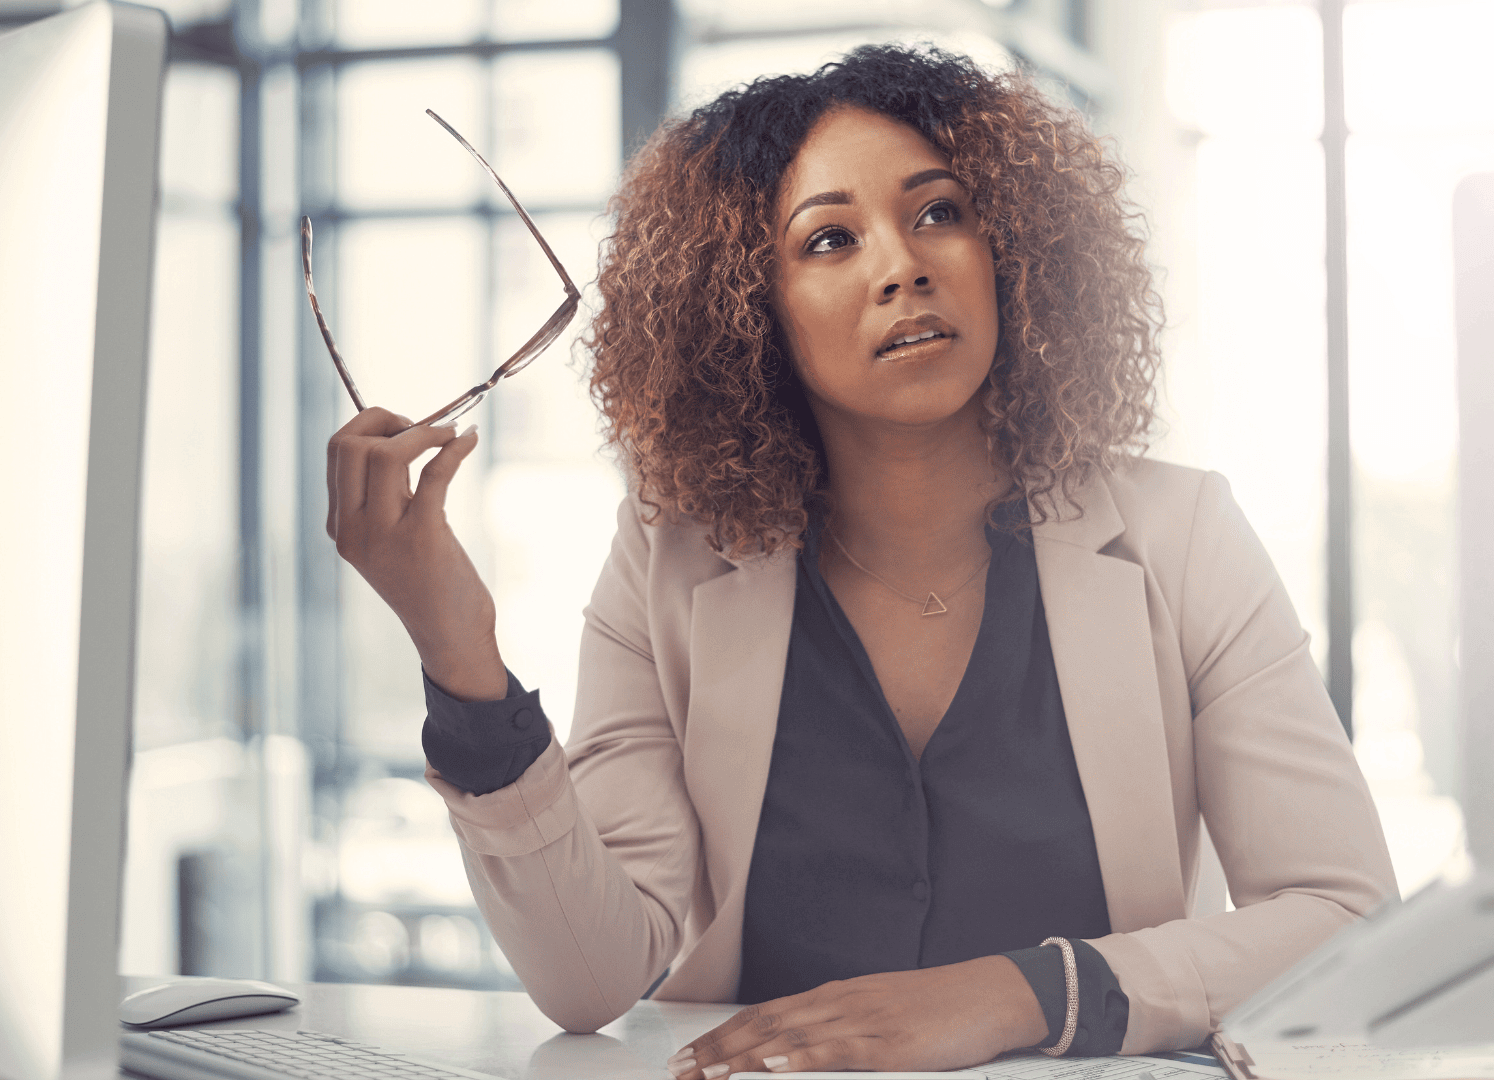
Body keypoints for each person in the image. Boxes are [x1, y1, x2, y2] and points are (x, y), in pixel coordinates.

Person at [325, 45, 1395, 1078]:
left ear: (1013, 249)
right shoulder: (668, 561)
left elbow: (1343, 916)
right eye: (829, 241)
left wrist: (1019, 994)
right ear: (747, 311)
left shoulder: (1182, 534)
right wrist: (459, 656)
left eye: (940, 212)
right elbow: (592, 976)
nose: (903, 265)